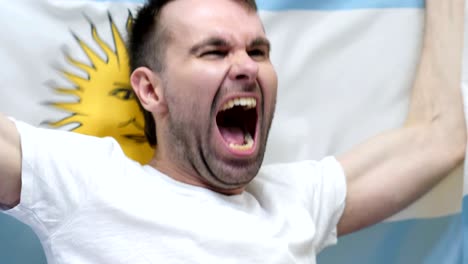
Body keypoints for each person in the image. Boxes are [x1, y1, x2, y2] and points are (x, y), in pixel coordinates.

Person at [0, 0, 466, 263]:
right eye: (213, 52)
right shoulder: (88, 182)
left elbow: (439, 137)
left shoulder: (297, 198)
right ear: (150, 90)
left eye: (259, 51)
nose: (247, 66)